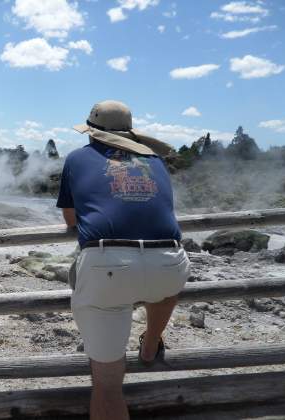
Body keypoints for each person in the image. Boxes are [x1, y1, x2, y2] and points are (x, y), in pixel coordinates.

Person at [57, 100, 191, 420]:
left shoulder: (77, 158)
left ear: (91, 133)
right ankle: (151, 342)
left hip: (107, 265)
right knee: (167, 285)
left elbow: (71, 219)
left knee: (107, 387)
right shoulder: (154, 159)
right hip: (170, 258)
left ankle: (118, 368)